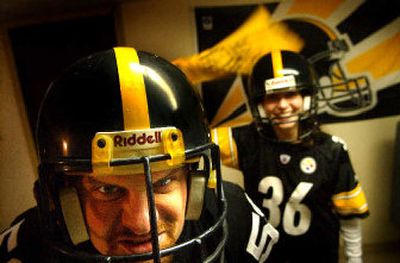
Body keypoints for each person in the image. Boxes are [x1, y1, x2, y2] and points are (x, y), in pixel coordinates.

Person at [0, 47, 279, 263]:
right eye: (107, 188)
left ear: (193, 184)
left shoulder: (236, 218)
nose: (141, 223)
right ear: (61, 201)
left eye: (164, 182)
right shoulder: (27, 247)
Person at [212, 50, 369, 263]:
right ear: (260, 104)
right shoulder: (246, 141)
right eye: (273, 97)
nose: (283, 105)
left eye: (291, 94)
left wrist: (355, 260)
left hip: (318, 255)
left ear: (306, 97)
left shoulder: (332, 150)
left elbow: (349, 217)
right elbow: (194, 141)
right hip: (266, 256)